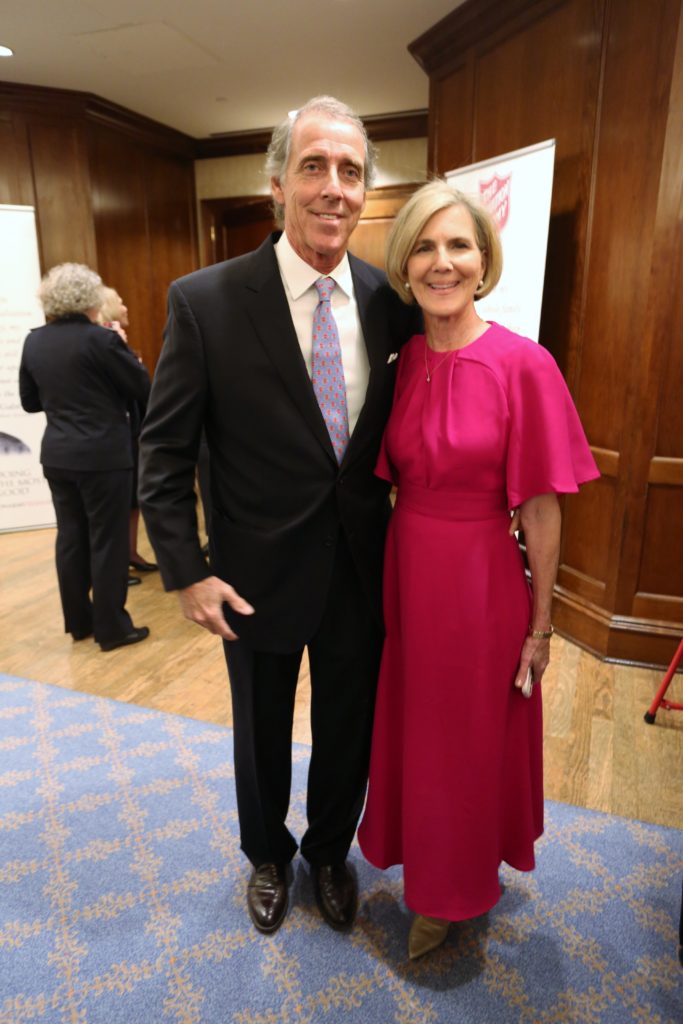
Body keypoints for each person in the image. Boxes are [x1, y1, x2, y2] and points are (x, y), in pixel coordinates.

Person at [139, 96, 418, 935]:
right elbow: (162, 454)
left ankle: (329, 852)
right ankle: (266, 854)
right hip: (252, 572)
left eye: (349, 171)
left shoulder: (387, 303)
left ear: (363, 189)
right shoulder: (206, 301)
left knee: (347, 726)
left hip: (360, 568)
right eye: (313, 166)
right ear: (276, 184)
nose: (333, 187)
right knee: (259, 735)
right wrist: (185, 571)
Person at [356, 180, 600, 958]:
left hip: (477, 583)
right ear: (404, 264)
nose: (441, 262)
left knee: (461, 739)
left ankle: (448, 892)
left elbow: (542, 509)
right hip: (408, 574)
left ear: (483, 260)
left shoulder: (522, 364)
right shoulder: (403, 358)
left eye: (458, 245)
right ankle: (426, 862)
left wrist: (540, 626)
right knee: (415, 732)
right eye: (424, 247)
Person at [19, 263, 151, 651]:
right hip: (103, 455)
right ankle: (113, 628)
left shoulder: (34, 342)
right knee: (107, 541)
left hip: (57, 454)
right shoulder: (102, 341)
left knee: (71, 537)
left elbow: (29, 403)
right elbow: (142, 387)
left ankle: (79, 621)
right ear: (90, 299)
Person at [99, 285, 157, 579]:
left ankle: (131, 552)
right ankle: (119, 563)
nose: (125, 307)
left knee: (133, 499)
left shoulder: (116, 340)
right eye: (120, 302)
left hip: (131, 431)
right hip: (115, 436)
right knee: (119, 503)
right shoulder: (107, 342)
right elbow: (138, 386)